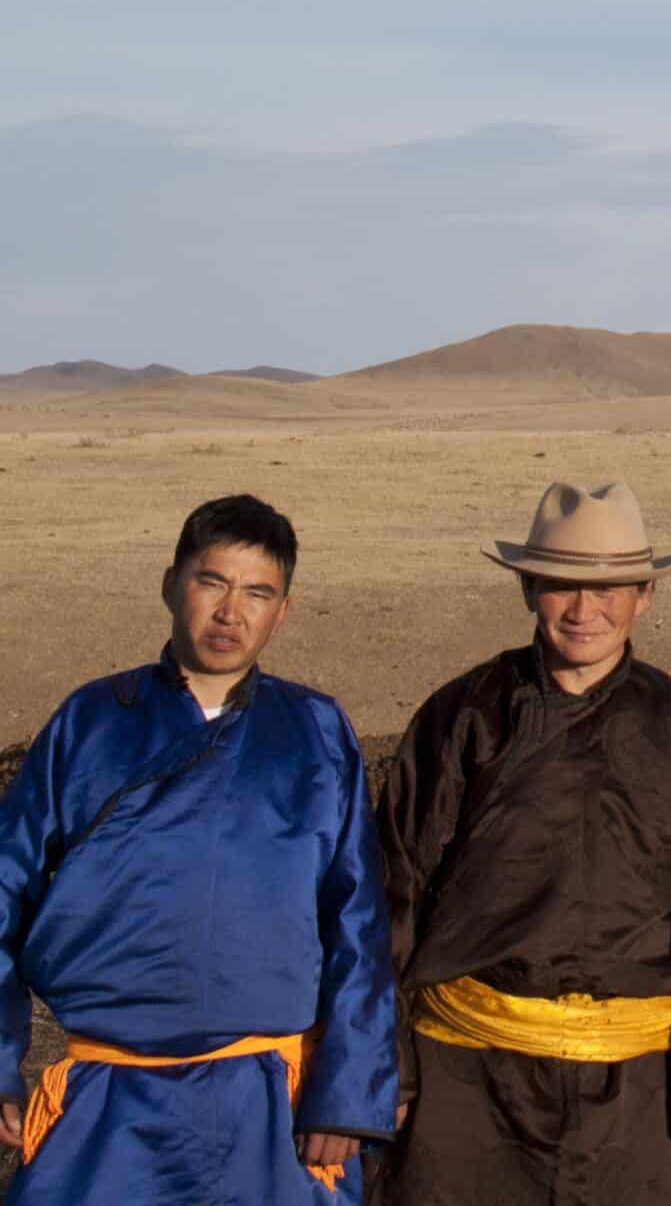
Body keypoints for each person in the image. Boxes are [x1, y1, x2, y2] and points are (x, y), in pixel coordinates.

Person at [0, 494, 399, 1204]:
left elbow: (358, 919)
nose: (230, 613)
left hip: (269, 1099)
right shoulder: (89, 721)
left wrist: (348, 1091)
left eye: (257, 593)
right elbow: (3, 891)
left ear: (283, 611)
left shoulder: (314, 730)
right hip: (106, 1094)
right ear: (170, 583)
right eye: (212, 582)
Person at [374, 480, 671, 1206]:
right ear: (529, 587)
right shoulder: (462, 718)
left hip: (642, 1094)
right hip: (468, 1087)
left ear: (645, 595)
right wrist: (389, 1072)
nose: (584, 609)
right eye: (562, 585)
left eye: (608, 588)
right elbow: (391, 897)